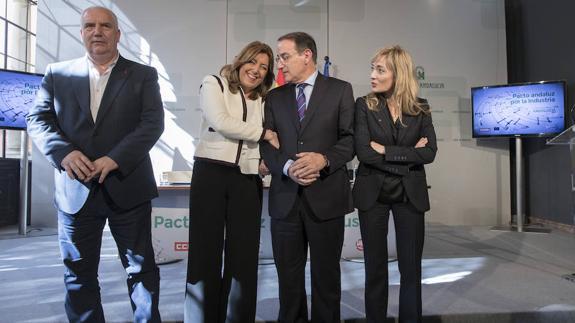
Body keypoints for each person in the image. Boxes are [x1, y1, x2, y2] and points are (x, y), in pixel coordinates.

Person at [26, 6, 164, 323]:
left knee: (141, 268)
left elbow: (152, 123)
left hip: (127, 187)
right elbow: (38, 119)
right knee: (78, 271)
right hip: (75, 189)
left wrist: (114, 158)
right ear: (82, 32)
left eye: (105, 25)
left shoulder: (143, 75)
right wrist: (63, 153)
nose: (97, 31)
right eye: (89, 25)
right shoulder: (57, 73)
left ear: (118, 34)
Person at [260, 32, 355, 322]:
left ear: (307, 55)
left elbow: (350, 140)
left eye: (284, 56)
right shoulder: (274, 97)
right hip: (285, 199)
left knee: (327, 279)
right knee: (288, 281)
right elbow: (266, 143)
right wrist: (288, 167)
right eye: (278, 58)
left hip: (326, 198)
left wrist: (323, 159)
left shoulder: (340, 90)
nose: (280, 65)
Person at [184, 41, 278, 323]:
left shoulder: (266, 98)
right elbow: (220, 120)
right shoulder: (214, 83)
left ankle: (238, 318)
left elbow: (276, 138)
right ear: (240, 61)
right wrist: (264, 133)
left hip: (247, 179)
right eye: (253, 62)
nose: (257, 70)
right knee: (204, 252)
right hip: (210, 174)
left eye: (264, 67)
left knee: (244, 256)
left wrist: (266, 161)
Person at [353, 45, 437, 323]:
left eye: (380, 69)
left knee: (410, 269)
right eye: (372, 68)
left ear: (398, 74)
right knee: (374, 268)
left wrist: (386, 151)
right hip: (372, 194)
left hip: (409, 195)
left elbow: (429, 153)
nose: (372, 75)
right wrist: (408, 155)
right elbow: (364, 152)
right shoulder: (363, 105)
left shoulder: (421, 108)